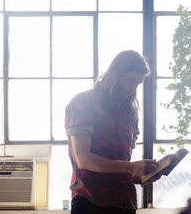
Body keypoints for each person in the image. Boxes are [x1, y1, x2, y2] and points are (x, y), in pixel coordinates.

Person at [65, 50, 161, 214]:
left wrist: (141, 175)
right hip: (91, 201)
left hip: (125, 202)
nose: (133, 89)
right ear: (116, 74)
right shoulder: (83, 103)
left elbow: (122, 166)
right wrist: (131, 168)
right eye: (131, 81)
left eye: (138, 83)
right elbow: (83, 159)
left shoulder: (129, 113)